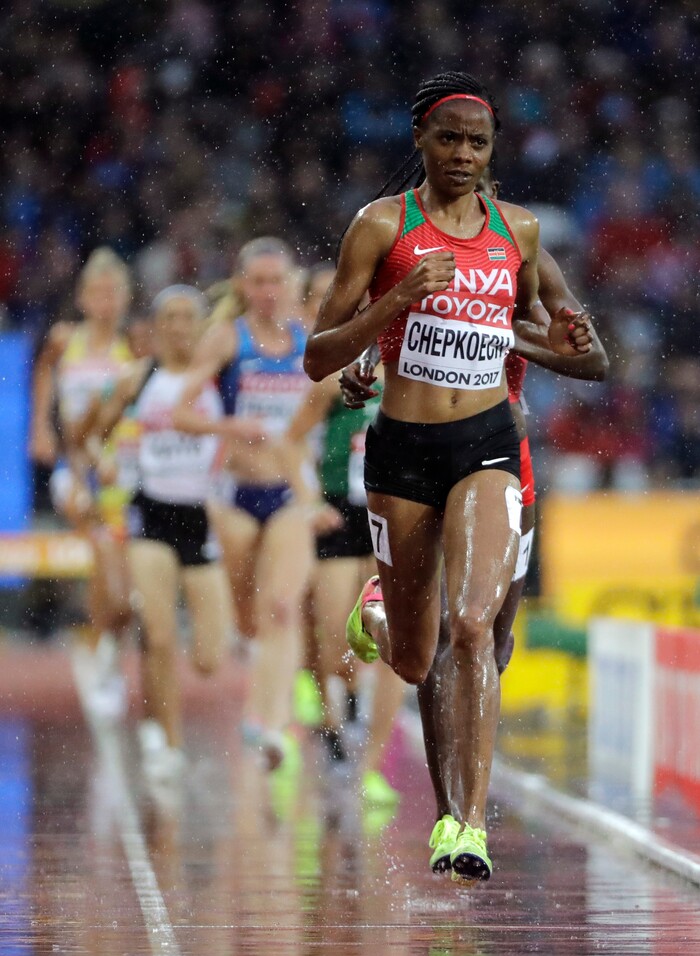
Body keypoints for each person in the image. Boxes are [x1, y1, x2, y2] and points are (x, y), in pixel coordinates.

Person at [304, 71, 592, 883]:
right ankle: (381, 614)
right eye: (449, 139)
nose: (464, 153)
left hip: (489, 442)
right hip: (401, 449)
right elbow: (319, 356)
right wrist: (394, 300)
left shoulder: (520, 233)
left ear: (493, 151)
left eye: (479, 142)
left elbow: (573, 344)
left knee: (473, 627)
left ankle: (463, 823)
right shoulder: (379, 225)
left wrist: (558, 339)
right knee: (412, 656)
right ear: (421, 142)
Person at [173, 237, 317, 771]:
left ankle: (269, 722)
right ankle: (248, 646)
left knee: (281, 606)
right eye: (257, 282)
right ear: (242, 287)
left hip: (287, 494)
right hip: (234, 495)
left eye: (276, 281)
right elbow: (180, 412)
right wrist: (228, 425)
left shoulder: (310, 338)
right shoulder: (226, 341)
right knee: (249, 618)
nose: (268, 292)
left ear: (290, 285)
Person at [85, 285, 233, 778]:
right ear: (156, 325)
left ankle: (158, 715)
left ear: (201, 324)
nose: (178, 326)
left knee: (212, 657)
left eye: (187, 317)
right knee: (161, 634)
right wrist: (104, 461)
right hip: (151, 514)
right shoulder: (137, 377)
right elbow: (92, 434)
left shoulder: (218, 377)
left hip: (202, 518)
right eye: (168, 317)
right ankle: (166, 740)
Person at [287, 356, 405, 808]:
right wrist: (309, 500)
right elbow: (291, 442)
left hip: (392, 513)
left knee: (395, 639)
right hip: (341, 513)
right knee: (338, 643)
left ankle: (373, 766)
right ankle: (343, 701)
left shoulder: (415, 378)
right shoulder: (337, 383)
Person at [29, 247, 135, 720]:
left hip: (123, 474)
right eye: (97, 293)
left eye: (113, 293)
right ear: (82, 297)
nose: (105, 302)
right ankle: (101, 656)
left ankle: (100, 650)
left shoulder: (133, 345)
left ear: (125, 298)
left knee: (124, 593)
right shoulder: (64, 338)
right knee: (107, 573)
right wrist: (39, 427)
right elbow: (45, 373)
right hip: (76, 472)